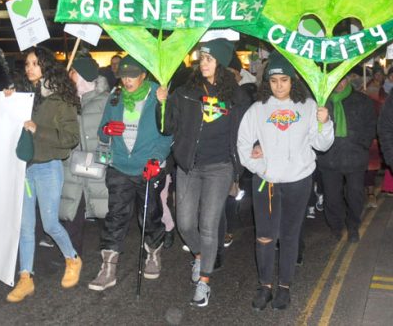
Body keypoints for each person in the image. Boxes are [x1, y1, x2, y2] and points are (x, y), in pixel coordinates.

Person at [156, 39, 250, 307]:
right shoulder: (186, 92)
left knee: (209, 225)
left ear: (220, 62)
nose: (203, 64)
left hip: (220, 167)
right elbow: (166, 127)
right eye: (202, 59)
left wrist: (252, 150)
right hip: (189, 166)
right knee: (185, 223)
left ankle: (204, 282)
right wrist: (161, 103)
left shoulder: (237, 96)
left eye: (209, 59)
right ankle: (199, 255)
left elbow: (247, 129)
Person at [237, 51, 333, 311]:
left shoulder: (309, 107)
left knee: (289, 236)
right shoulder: (258, 110)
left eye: (284, 80)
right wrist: (261, 166)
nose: (278, 86)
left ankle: (284, 287)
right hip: (265, 184)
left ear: (294, 81)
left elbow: (322, 144)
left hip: (298, 181)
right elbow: (243, 144)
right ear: (267, 82)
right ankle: (265, 285)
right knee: (265, 237)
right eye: (273, 80)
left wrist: (325, 124)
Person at [88, 55, 172, 291]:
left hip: (148, 168)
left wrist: (157, 159)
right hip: (120, 167)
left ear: (144, 75)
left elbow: (168, 133)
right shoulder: (115, 98)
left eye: (133, 75)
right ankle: (108, 269)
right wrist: (106, 130)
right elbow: (102, 133)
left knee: (150, 216)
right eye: (124, 75)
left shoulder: (159, 96)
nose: (127, 80)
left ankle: (153, 253)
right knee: (115, 217)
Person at [6, 47, 81, 303]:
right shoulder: (23, 96)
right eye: (27, 63)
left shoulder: (60, 100)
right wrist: (6, 100)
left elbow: (71, 138)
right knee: (26, 226)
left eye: (35, 63)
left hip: (48, 167)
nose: (29, 68)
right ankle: (25, 277)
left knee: (49, 224)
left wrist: (39, 129)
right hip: (25, 169)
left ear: (46, 67)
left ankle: (72, 258)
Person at [58, 56, 109, 256]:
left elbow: (111, 135)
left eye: (73, 72)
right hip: (72, 167)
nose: (69, 76)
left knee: (104, 211)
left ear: (84, 76)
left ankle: (109, 257)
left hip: (97, 167)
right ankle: (72, 259)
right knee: (72, 213)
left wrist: (105, 160)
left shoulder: (106, 101)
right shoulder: (66, 102)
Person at [317, 76, 376, 242]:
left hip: (355, 157)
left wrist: (361, 143)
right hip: (329, 159)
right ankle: (336, 226)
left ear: (348, 79)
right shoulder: (322, 102)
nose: (339, 84)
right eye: (335, 80)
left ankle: (353, 226)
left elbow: (371, 124)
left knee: (355, 195)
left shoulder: (362, 100)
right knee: (332, 197)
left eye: (342, 79)